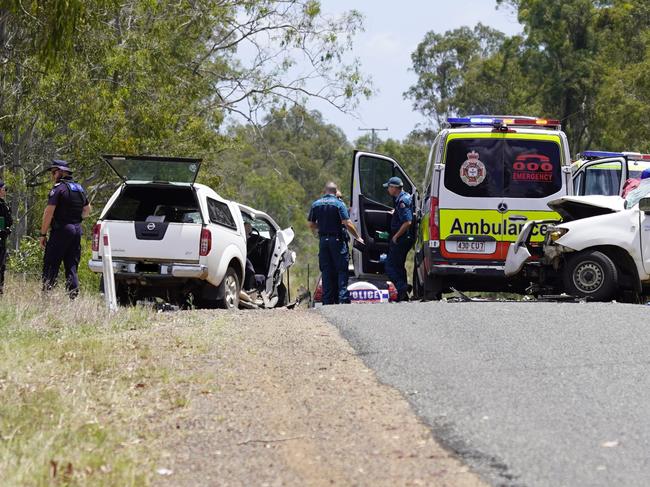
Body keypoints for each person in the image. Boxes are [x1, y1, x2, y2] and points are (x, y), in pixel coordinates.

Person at [40, 160, 91, 298]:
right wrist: (74, 219)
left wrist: (43, 234)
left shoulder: (58, 189)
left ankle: (46, 295)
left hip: (62, 230)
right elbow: (87, 210)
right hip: (76, 230)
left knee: (51, 262)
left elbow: (48, 213)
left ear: (61, 172)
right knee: (72, 265)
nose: (52, 175)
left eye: (54, 172)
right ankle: (72, 297)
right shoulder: (79, 188)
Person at [308, 182, 363, 305]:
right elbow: (347, 223)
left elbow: (311, 224)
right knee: (341, 271)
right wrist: (357, 237)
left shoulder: (316, 204)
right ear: (335, 191)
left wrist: (322, 227)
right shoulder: (339, 204)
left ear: (325, 191)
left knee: (326, 271)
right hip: (337, 241)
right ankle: (342, 300)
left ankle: (327, 302)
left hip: (323, 241)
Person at [383, 176, 413, 302]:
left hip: (401, 238)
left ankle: (403, 287)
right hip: (404, 238)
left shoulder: (402, 201)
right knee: (399, 266)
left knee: (389, 266)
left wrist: (396, 236)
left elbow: (407, 222)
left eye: (389, 187)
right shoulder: (402, 198)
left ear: (394, 188)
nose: (388, 190)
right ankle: (403, 294)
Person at [0, 181, 12, 294]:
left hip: (2, 240)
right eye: (4, 188)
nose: (5, 191)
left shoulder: (4, 205)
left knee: (1, 266)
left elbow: (8, 222)